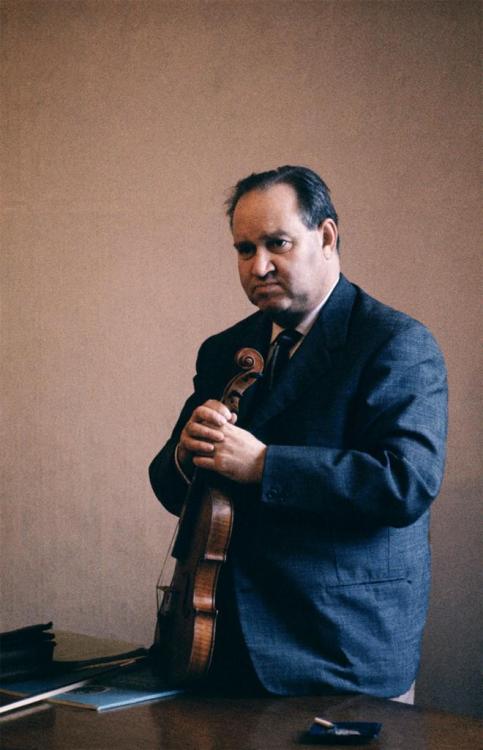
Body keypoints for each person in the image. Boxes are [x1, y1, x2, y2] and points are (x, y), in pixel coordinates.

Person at [149, 165, 448, 700]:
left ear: (326, 237)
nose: (258, 265)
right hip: (219, 643)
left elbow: (405, 484)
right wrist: (186, 453)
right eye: (244, 249)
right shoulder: (225, 350)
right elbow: (173, 490)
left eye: (276, 243)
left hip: (337, 653)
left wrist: (264, 465)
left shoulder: (395, 343)